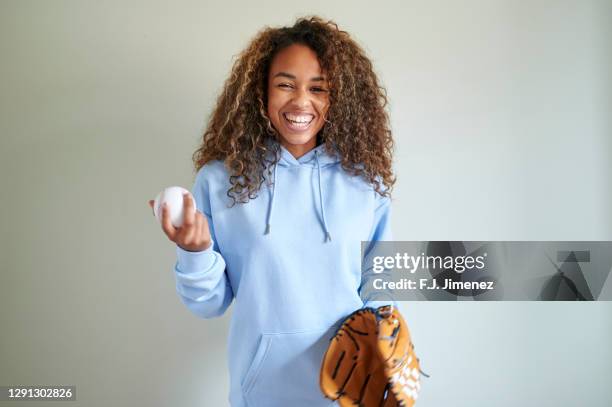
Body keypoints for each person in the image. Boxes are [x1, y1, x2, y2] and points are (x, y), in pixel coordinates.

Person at [148, 15, 397, 407]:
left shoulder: (365, 181)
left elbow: (381, 290)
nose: (301, 101)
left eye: (318, 88)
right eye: (285, 84)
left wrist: (385, 357)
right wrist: (194, 251)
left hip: (350, 392)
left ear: (339, 98)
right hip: (262, 394)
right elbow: (209, 304)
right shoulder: (221, 180)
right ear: (260, 91)